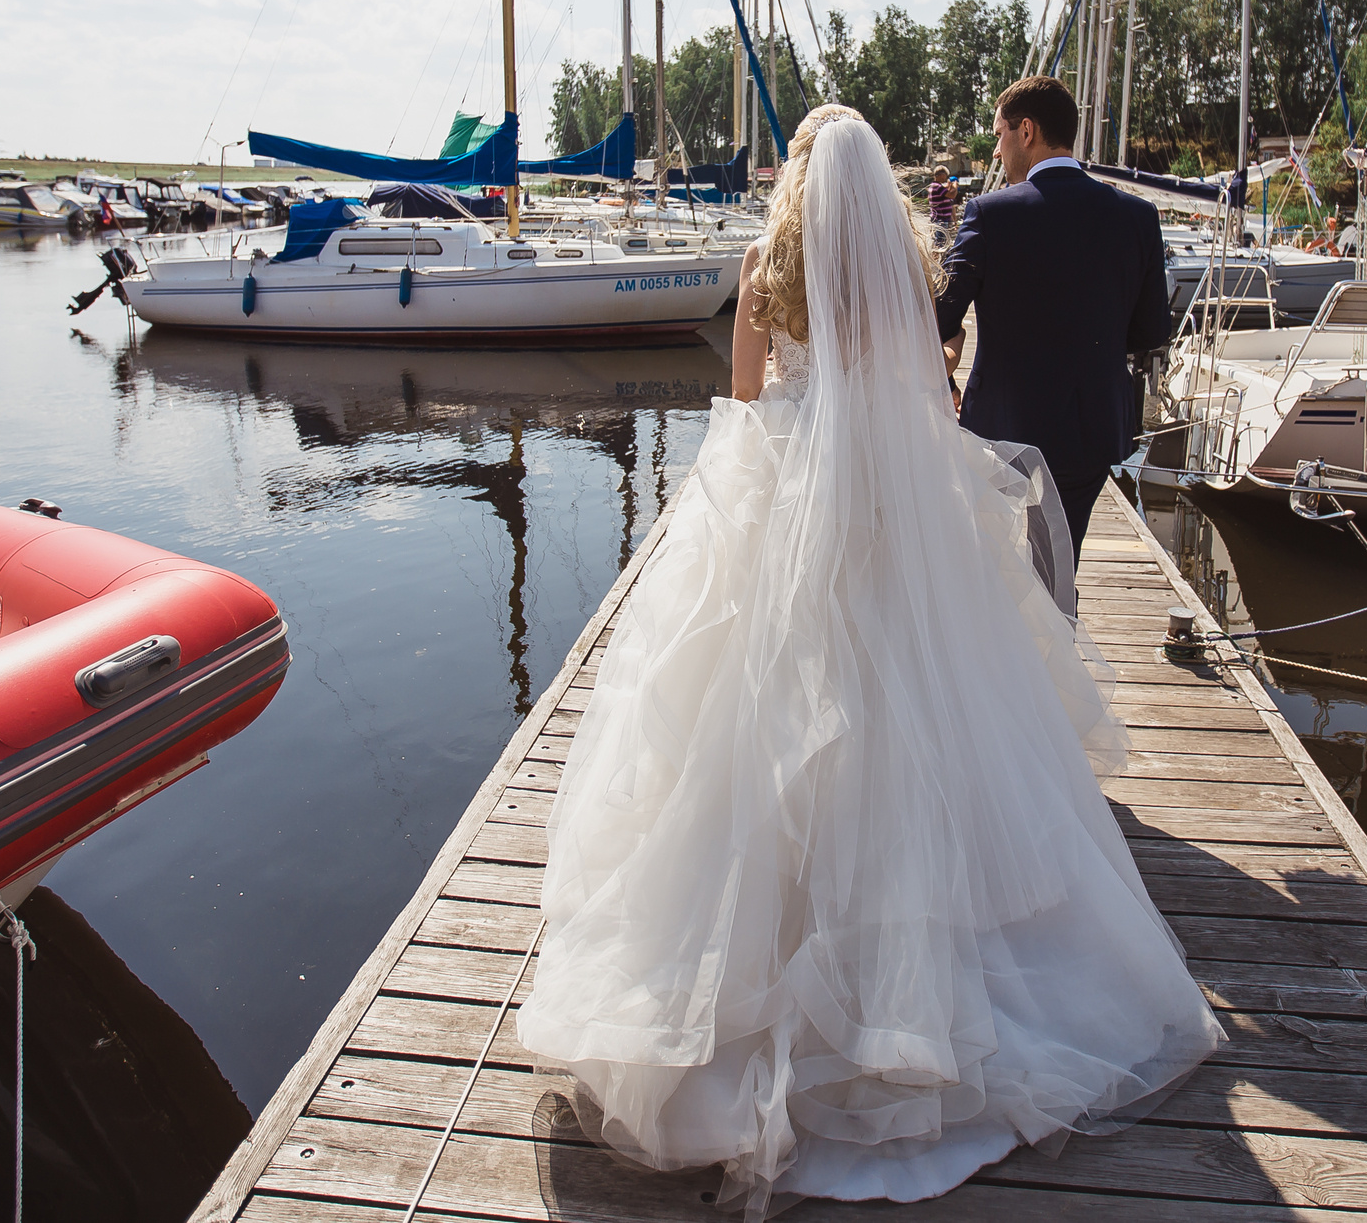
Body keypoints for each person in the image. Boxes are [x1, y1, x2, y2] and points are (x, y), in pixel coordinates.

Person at [518, 103, 1220, 1216]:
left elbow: (744, 399)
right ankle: (924, 974)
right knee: (915, 702)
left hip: (783, 495)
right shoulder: (904, 259)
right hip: (887, 501)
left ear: (797, 180)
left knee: (750, 718)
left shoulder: (760, 264)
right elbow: (927, 393)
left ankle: (745, 983)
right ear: (875, 182)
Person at [935, 78, 1171, 565]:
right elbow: (1152, 334)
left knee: (995, 569)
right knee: (1058, 565)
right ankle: (1060, 628)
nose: (997, 152)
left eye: (999, 135)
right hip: (1092, 427)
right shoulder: (1138, 216)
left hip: (1003, 428)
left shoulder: (989, 213)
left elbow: (941, 316)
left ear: (1026, 131)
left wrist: (946, 366)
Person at [926, 165, 958, 243]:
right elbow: (951, 195)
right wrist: (955, 187)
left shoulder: (936, 186)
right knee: (941, 243)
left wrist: (950, 187)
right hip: (940, 219)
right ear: (940, 175)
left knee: (941, 241)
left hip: (940, 219)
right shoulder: (937, 187)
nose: (946, 177)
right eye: (945, 175)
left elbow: (946, 192)